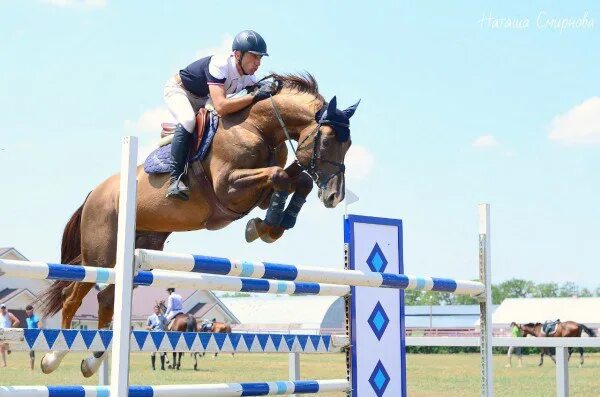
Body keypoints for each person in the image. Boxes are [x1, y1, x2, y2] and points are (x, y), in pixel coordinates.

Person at [164, 30, 276, 200]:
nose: (258, 63)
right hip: (179, 91)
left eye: (260, 58)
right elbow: (222, 107)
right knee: (187, 120)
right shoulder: (221, 64)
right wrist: (253, 96)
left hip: (203, 98)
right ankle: (175, 179)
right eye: (254, 57)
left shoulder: (248, 77)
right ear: (238, 54)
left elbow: (260, 91)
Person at [145, 304, 168, 370]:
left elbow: (166, 326)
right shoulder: (150, 317)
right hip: (153, 336)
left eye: (158, 309)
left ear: (159, 310)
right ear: (154, 310)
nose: (157, 310)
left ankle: (162, 367)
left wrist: (167, 330)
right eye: (155, 309)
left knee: (162, 351)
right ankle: (153, 367)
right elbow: (146, 327)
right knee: (153, 351)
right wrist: (150, 327)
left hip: (161, 335)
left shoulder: (163, 317)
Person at [24, 304, 41, 371]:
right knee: (30, 352)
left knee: (32, 353)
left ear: (32, 311)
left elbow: (40, 326)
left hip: (34, 337)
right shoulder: (27, 319)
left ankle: (32, 369)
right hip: (29, 337)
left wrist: (36, 333)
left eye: (29, 312)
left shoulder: (35, 318)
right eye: (27, 312)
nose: (28, 313)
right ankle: (31, 367)